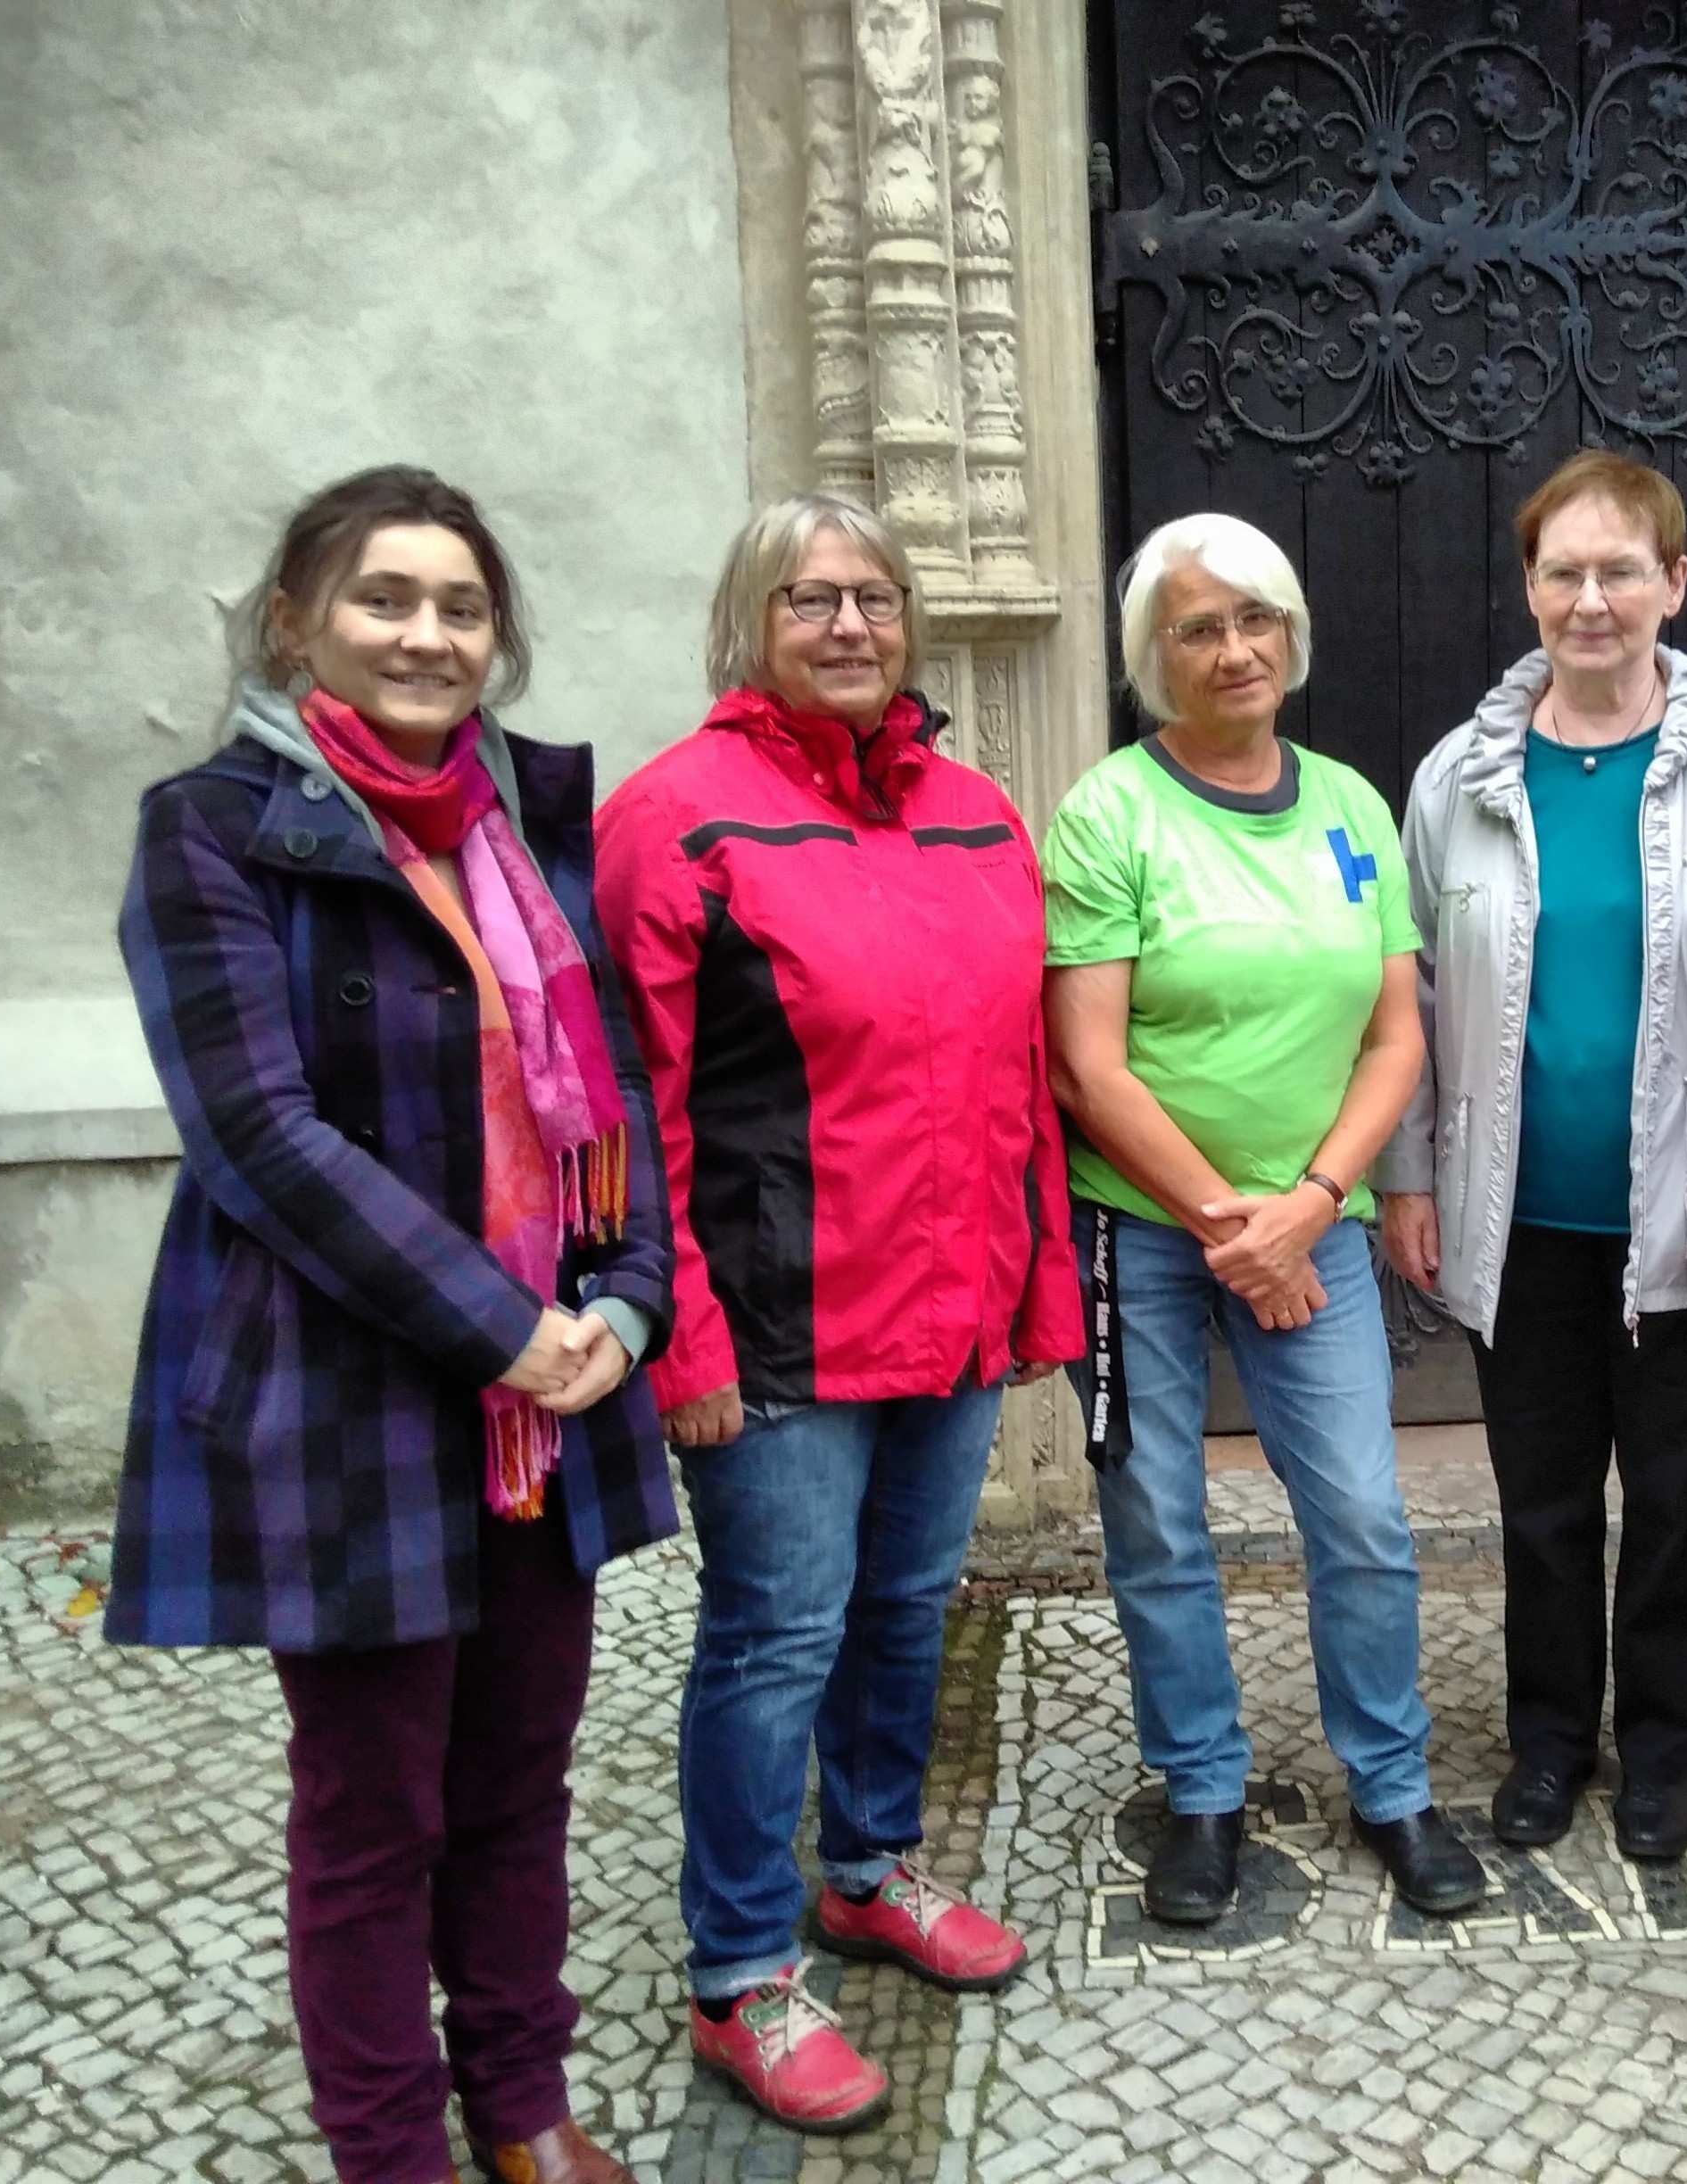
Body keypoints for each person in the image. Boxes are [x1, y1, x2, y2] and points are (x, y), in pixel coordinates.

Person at [109, 465, 674, 2184]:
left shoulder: (525, 827)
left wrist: (631, 1301)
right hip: (345, 1394)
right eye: (385, 600)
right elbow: (259, 1137)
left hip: (550, 1399)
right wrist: (508, 1329)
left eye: (461, 607)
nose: (427, 634)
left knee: (519, 1782)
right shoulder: (211, 829)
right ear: (298, 625)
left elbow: (614, 1089)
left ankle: (517, 2102)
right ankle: (388, 2155)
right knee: (374, 1816)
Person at [593, 493, 1081, 2136]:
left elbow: (1020, 1075)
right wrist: (684, 1345)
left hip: (946, 1319)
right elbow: (636, 1110)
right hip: (780, 1340)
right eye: (812, 601)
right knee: (772, 1641)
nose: (852, 627)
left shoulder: (976, 812)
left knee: (906, 1611)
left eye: (875, 598)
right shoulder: (678, 819)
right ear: (752, 624)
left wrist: (1033, 1287)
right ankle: (738, 1971)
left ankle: (867, 1869)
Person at [1042, 512, 1486, 1929]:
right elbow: (1087, 1062)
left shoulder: (1351, 805)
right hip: (1141, 1231)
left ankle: (1395, 1786)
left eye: (1257, 621)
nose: (1234, 650)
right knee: (1159, 1520)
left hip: (1314, 1225)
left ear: (1291, 634)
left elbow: (1395, 1036)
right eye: (1197, 628)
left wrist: (1304, 1209)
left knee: (1360, 1514)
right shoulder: (1108, 812)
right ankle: (1203, 1792)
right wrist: (1237, 1226)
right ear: (1150, 657)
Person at [1377, 451, 1687, 1859]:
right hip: (1524, 1214)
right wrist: (1410, 1178)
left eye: (1622, 569)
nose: (1592, 598)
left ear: (1675, 584)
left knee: (1682, 1502)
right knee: (1544, 1506)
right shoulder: (1459, 774)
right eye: (1564, 570)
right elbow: (1416, 997)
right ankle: (1552, 1742)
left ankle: (1667, 1751)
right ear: (1530, 589)